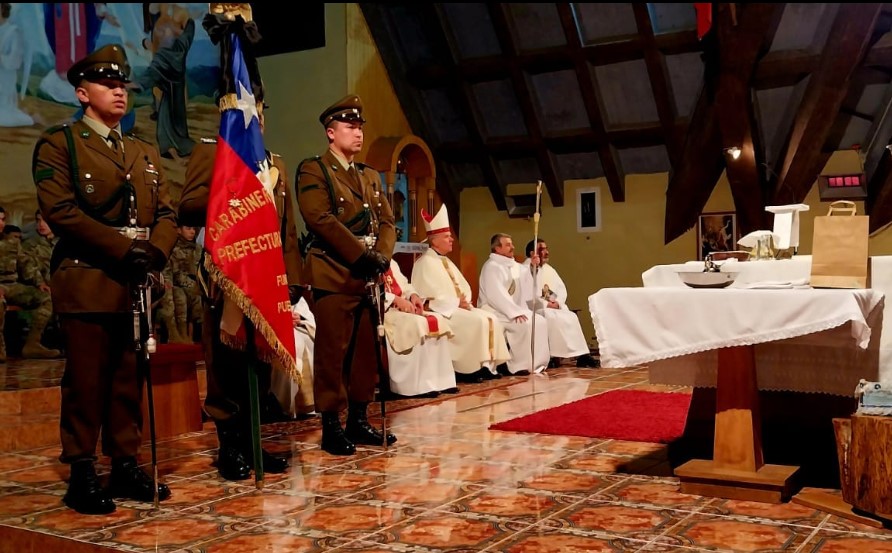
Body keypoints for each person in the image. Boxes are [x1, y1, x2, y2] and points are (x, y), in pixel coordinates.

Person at [32, 44, 177, 515]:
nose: (119, 92)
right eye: (108, 85)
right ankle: (80, 470)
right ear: (81, 93)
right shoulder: (62, 143)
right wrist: (126, 249)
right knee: (86, 381)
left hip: (134, 281)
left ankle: (125, 463)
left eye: (123, 86)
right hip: (89, 277)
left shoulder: (142, 150)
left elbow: (168, 212)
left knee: (126, 378)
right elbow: (61, 212)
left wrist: (155, 250)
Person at [179, 106, 299, 480]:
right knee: (225, 366)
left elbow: (288, 228)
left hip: (266, 278)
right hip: (227, 278)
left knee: (261, 364)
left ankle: (252, 441)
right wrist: (230, 190)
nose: (254, 120)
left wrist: (291, 280)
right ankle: (229, 445)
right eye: (243, 112)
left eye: (259, 113)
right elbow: (187, 206)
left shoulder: (274, 161)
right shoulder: (210, 153)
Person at [295, 93, 397, 456]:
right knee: (332, 353)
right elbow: (319, 219)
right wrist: (362, 256)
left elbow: (387, 221)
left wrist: (381, 256)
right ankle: (330, 425)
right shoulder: (315, 169)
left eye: (360, 127)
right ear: (330, 132)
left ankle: (358, 417)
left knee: (364, 355)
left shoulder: (369, 175)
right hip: (335, 273)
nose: (358, 133)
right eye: (350, 127)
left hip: (367, 276)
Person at [410, 205, 510, 382]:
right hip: (442, 311)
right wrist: (456, 303)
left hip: (457, 307)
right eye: (447, 237)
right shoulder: (424, 263)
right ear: (434, 241)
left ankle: (487, 365)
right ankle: (467, 369)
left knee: (490, 318)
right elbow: (426, 297)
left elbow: (462, 286)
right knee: (478, 321)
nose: (451, 241)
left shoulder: (446, 260)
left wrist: (464, 301)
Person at [478, 233, 550, 375]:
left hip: (512, 309)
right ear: (497, 249)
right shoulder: (491, 267)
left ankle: (537, 364)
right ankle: (517, 365)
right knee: (524, 324)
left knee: (539, 321)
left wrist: (533, 267)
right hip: (494, 310)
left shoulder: (513, 265)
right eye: (508, 245)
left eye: (512, 244)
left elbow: (526, 280)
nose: (513, 247)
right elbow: (496, 295)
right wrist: (514, 312)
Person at [383, 258, 456, 398]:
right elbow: (369, 290)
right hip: (385, 311)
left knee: (437, 319)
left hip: (403, 309)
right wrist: (395, 299)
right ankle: (413, 386)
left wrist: (413, 295)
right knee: (417, 323)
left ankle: (441, 381)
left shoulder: (391, 261)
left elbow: (404, 284)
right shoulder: (367, 261)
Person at [521, 239, 598, 368]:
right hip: (535, 308)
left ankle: (582, 355)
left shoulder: (549, 269)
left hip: (552, 306)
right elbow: (529, 292)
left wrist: (558, 303)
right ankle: (552, 356)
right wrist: (546, 304)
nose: (547, 252)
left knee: (570, 316)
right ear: (532, 253)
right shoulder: (525, 269)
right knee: (549, 316)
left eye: (546, 248)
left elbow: (559, 289)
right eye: (542, 249)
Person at [0, 214, 59, 361]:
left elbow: (25, 264)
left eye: (2, 219)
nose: (1, 223)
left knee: (47, 298)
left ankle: (33, 344)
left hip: (11, 286)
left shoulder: (12, 243)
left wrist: (39, 283)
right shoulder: (33, 244)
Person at [270, 292, 316, 419]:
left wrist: (299, 318)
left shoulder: (296, 294)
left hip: (295, 319)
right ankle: (285, 404)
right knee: (294, 346)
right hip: (273, 320)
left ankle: (308, 404)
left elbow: (308, 319)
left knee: (306, 340)